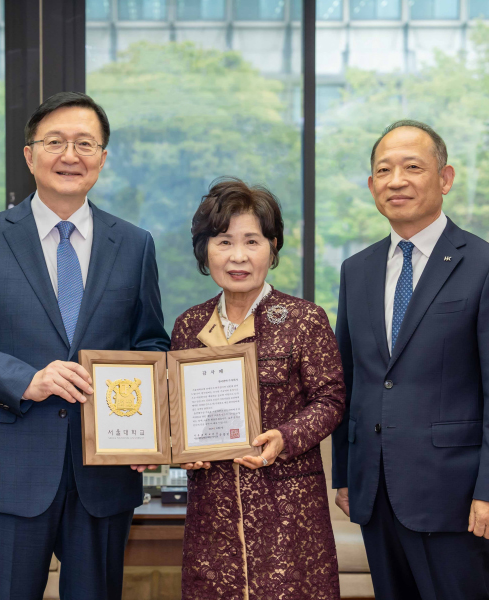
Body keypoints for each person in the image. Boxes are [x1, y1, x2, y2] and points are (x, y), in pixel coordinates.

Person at [0, 91, 170, 600]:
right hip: (14, 469)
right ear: (29, 154)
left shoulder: (134, 244)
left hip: (104, 475)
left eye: (86, 144)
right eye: (55, 141)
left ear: (103, 159)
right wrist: (27, 379)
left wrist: (147, 428)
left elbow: (150, 341)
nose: (70, 155)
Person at [331, 120, 489, 599]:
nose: (396, 180)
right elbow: (350, 380)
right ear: (371, 185)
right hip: (375, 492)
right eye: (384, 170)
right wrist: (345, 475)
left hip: (456, 497)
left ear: (445, 178)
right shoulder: (356, 271)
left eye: (412, 167)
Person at [171, 178, 345, 599]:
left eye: (252, 241)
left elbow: (332, 399)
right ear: (204, 250)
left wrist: (285, 436)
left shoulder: (305, 319)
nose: (238, 256)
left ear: (272, 246)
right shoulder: (188, 326)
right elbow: (174, 410)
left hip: (288, 509)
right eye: (224, 241)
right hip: (213, 513)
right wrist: (181, 450)